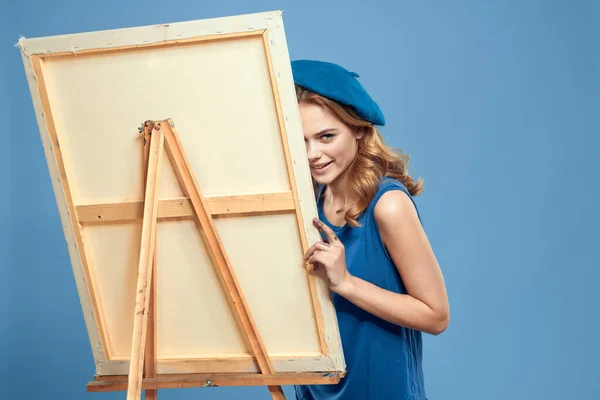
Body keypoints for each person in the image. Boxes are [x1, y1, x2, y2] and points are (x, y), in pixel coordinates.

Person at [291, 60, 450, 400]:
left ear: (360, 130)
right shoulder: (309, 201)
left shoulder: (388, 205)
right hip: (318, 387)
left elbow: (436, 316)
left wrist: (346, 283)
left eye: (326, 136)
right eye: (300, 139)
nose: (312, 154)